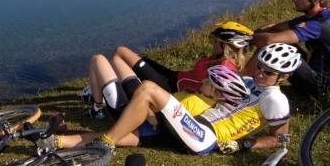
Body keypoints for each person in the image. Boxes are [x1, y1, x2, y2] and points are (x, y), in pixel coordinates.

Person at [47, 45, 299, 155]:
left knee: (147, 89)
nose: (260, 73)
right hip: (191, 127)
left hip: (205, 137)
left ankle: (106, 143)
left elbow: (281, 138)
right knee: (129, 135)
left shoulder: (276, 100)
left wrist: (245, 145)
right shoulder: (249, 83)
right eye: (260, 67)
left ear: (284, 76)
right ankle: (55, 141)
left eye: (268, 72)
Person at [81, 21, 253, 114]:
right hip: (172, 76)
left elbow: (218, 93)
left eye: (217, 42)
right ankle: (105, 90)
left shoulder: (223, 68)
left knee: (120, 52)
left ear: (226, 45)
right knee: (126, 58)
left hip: (169, 86)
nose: (213, 44)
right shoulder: (219, 59)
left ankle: (100, 100)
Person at [248, 0, 330, 97]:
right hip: (319, 74)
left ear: (315, 0)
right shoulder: (318, 16)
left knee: (273, 45)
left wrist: (246, 40)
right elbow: (276, 27)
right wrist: (252, 33)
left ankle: (243, 82)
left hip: (324, 88)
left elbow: (270, 40)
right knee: (278, 40)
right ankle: (249, 79)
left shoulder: (317, 25)